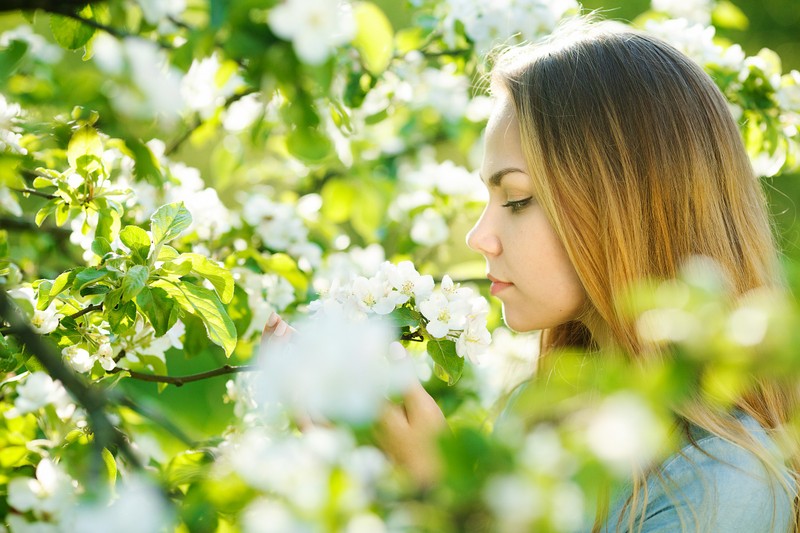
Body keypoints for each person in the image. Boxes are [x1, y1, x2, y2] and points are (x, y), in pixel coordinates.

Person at [264, 16, 799, 533]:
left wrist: (436, 490)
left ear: (621, 205)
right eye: (489, 196)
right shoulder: (542, 412)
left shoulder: (721, 485)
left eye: (516, 198)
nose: (479, 236)